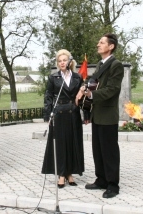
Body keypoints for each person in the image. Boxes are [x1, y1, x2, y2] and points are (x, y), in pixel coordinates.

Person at [76, 33, 124, 199]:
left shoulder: (115, 65)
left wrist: (90, 94)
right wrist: (87, 105)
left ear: (111, 46)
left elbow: (112, 89)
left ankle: (113, 185)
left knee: (109, 151)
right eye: (99, 41)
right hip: (97, 114)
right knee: (98, 150)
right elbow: (94, 86)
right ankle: (101, 179)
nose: (98, 44)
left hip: (108, 115)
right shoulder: (100, 65)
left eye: (102, 42)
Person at [42, 49, 87, 188]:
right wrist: (47, 114)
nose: (62, 63)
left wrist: (86, 114)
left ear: (69, 62)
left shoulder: (77, 77)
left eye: (64, 60)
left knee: (72, 143)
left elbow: (84, 97)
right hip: (59, 114)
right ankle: (61, 174)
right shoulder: (53, 78)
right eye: (59, 61)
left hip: (73, 113)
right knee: (61, 145)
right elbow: (48, 96)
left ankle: (70, 173)